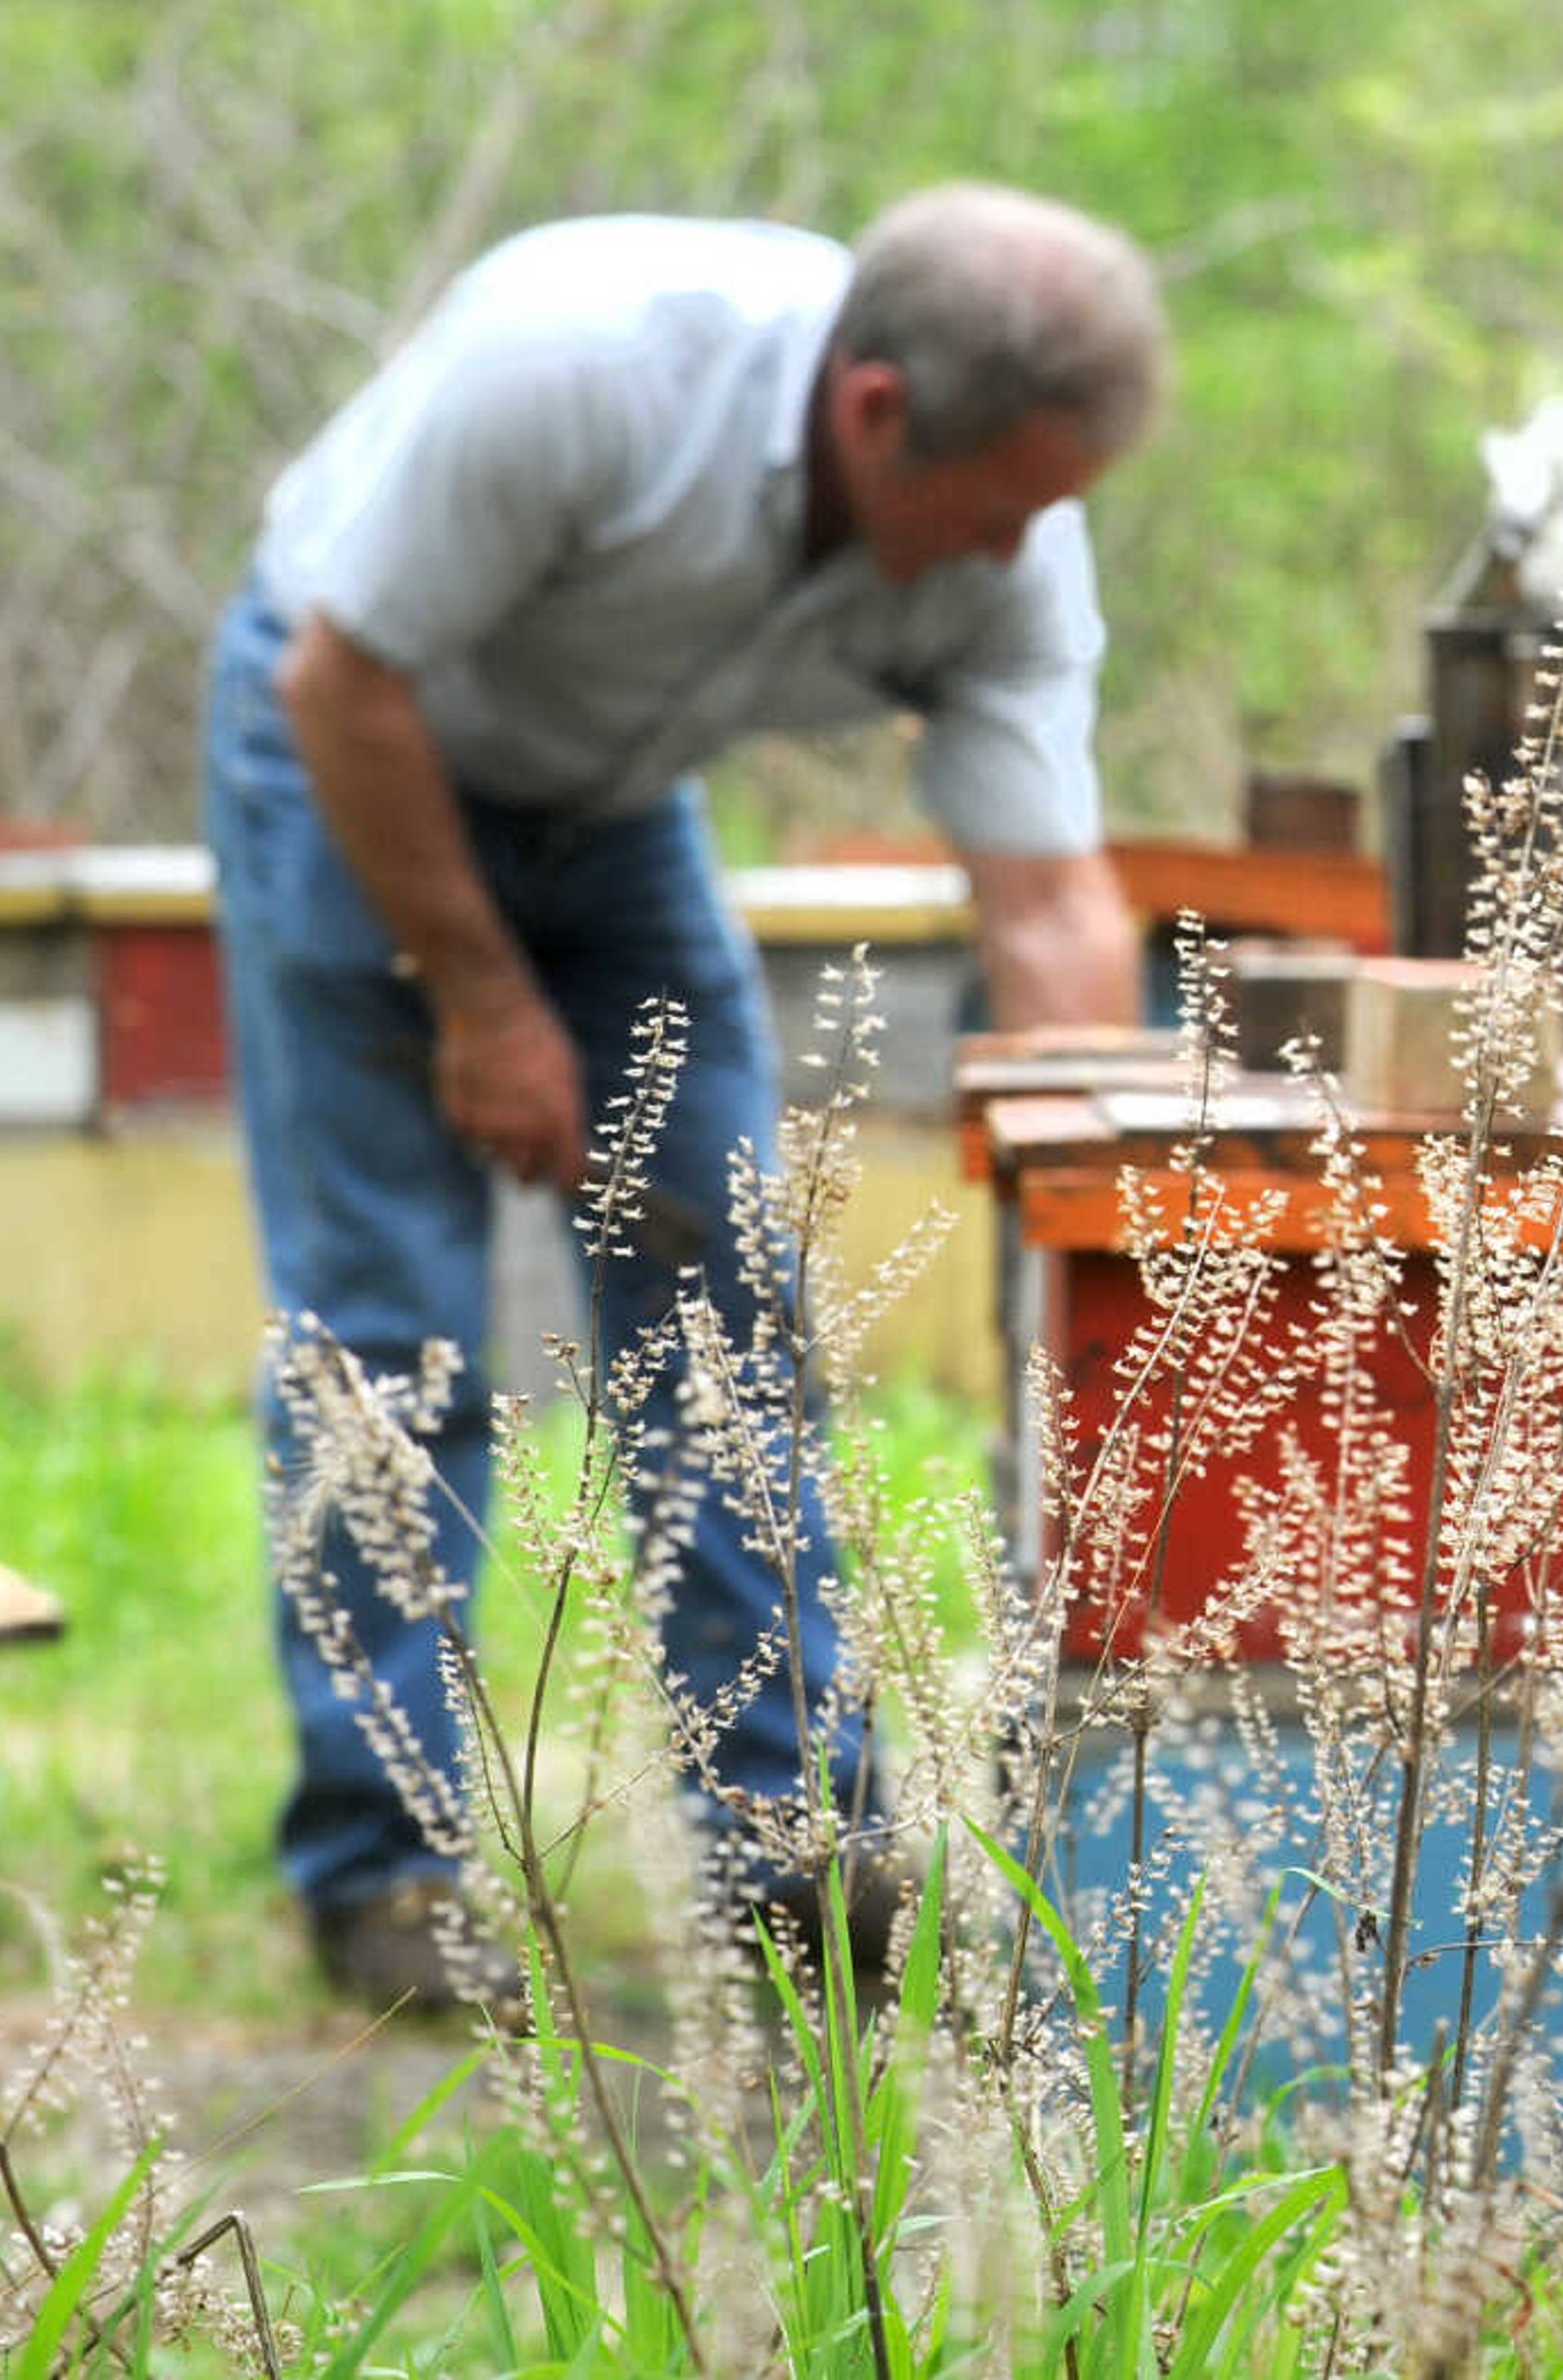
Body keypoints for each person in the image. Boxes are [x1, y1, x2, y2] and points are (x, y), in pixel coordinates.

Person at [200, 185, 1160, 2015]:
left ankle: (783, 1848)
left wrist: (1097, 1252)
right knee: (390, 1323)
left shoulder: (1012, 544)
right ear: (876, 412)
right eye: (998, 500)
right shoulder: (580, 371)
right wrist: (484, 1000)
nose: (1021, 544)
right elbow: (345, 679)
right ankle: (385, 1868)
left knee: (729, 1311)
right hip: (350, 735)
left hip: (617, 811)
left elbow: (1046, 905)